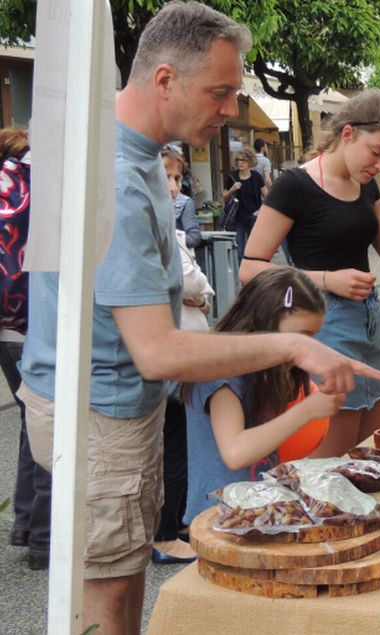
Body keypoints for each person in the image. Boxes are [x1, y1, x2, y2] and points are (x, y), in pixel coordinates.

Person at [19, 5, 380, 632]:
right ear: (165, 79)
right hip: (99, 410)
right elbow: (158, 352)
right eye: (220, 92)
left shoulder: (133, 155)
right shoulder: (121, 178)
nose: (229, 110)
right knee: (107, 588)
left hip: (109, 404)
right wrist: (292, 348)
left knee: (123, 572)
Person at [241, 88, 380, 460]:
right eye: (376, 152)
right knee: (332, 457)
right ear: (348, 133)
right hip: (323, 321)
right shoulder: (295, 186)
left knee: (372, 452)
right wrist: (327, 279)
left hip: (369, 320)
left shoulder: (366, 185)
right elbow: (250, 269)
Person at [183, 268, 343, 522]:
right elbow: (235, 453)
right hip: (220, 518)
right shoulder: (221, 374)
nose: (308, 348)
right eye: (301, 337)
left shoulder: (269, 370)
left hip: (259, 508)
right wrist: (308, 410)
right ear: (264, 322)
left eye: (313, 338)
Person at [151, 148, 214, 565]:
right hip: (174, 357)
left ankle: (175, 524)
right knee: (175, 445)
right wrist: (196, 294)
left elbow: (200, 290)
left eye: (178, 179)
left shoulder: (170, 231)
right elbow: (191, 283)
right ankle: (166, 533)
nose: (174, 188)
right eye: (167, 177)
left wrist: (198, 296)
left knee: (181, 443)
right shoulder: (162, 234)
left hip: (186, 353)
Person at [0, 128, 51, 572]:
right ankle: (43, 538)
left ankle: (23, 522)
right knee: (47, 419)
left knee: (28, 416)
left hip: (5, 324)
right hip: (32, 318)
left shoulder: (8, 183)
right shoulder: (39, 181)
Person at [223, 148, 267, 262]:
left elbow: (267, 196)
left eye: (243, 160)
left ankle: (253, 270)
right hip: (238, 218)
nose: (240, 163)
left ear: (250, 161)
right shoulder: (233, 176)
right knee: (239, 250)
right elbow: (224, 196)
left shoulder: (256, 176)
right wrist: (232, 189)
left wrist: (261, 210)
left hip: (254, 217)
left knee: (254, 249)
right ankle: (240, 272)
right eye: (238, 160)